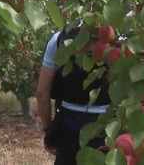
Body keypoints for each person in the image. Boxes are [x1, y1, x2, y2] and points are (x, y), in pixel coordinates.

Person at [36, 20, 111, 165]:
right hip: (108, 125)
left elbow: (42, 92)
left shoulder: (58, 39)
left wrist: (49, 130)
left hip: (69, 124)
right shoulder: (116, 42)